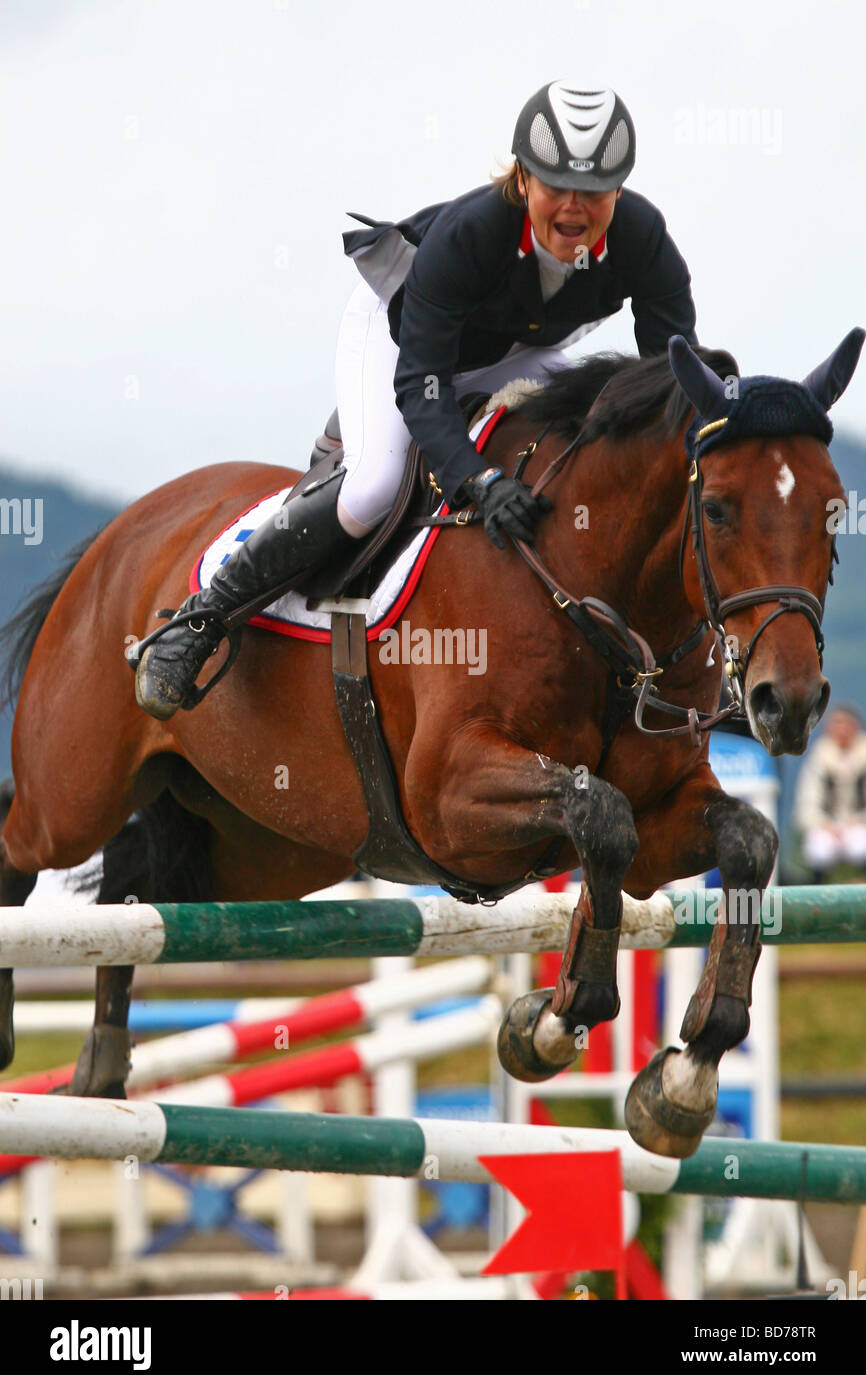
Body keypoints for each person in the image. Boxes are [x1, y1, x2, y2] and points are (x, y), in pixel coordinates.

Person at [135, 80, 698, 720]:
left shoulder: (643, 236)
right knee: (371, 487)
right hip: (401, 339)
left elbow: (671, 375)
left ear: (618, 192)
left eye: (593, 192)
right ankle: (200, 620)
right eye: (555, 187)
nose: (574, 208)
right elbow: (422, 381)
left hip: (518, 350)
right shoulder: (471, 233)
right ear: (522, 180)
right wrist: (478, 482)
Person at [793, 704, 866, 880]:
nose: (841, 730)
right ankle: (818, 895)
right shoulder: (820, 755)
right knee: (819, 850)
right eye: (837, 724)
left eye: (845, 724)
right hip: (827, 826)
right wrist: (825, 824)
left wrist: (854, 821)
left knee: (860, 847)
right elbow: (807, 801)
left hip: (858, 824)